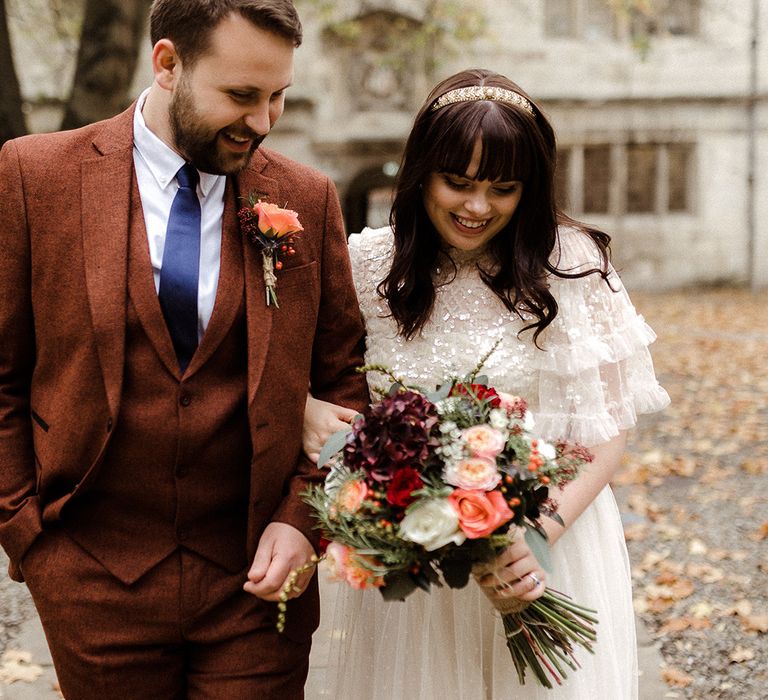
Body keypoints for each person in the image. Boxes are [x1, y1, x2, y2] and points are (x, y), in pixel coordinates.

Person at [0, 1, 368, 697]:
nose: (262, 122)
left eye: (277, 97)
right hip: (91, 579)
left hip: (258, 585)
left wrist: (304, 523)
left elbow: (343, 383)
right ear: (167, 64)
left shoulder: (307, 199)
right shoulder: (35, 176)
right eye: (241, 96)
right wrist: (29, 535)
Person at [303, 68, 670, 699]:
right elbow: (314, 383)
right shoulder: (366, 265)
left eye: (504, 188)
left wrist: (532, 539)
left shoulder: (573, 267)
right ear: (421, 172)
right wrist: (307, 410)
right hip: (415, 560)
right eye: (459, 183)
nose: (478, 208)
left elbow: (607, 432)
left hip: (549, 545)